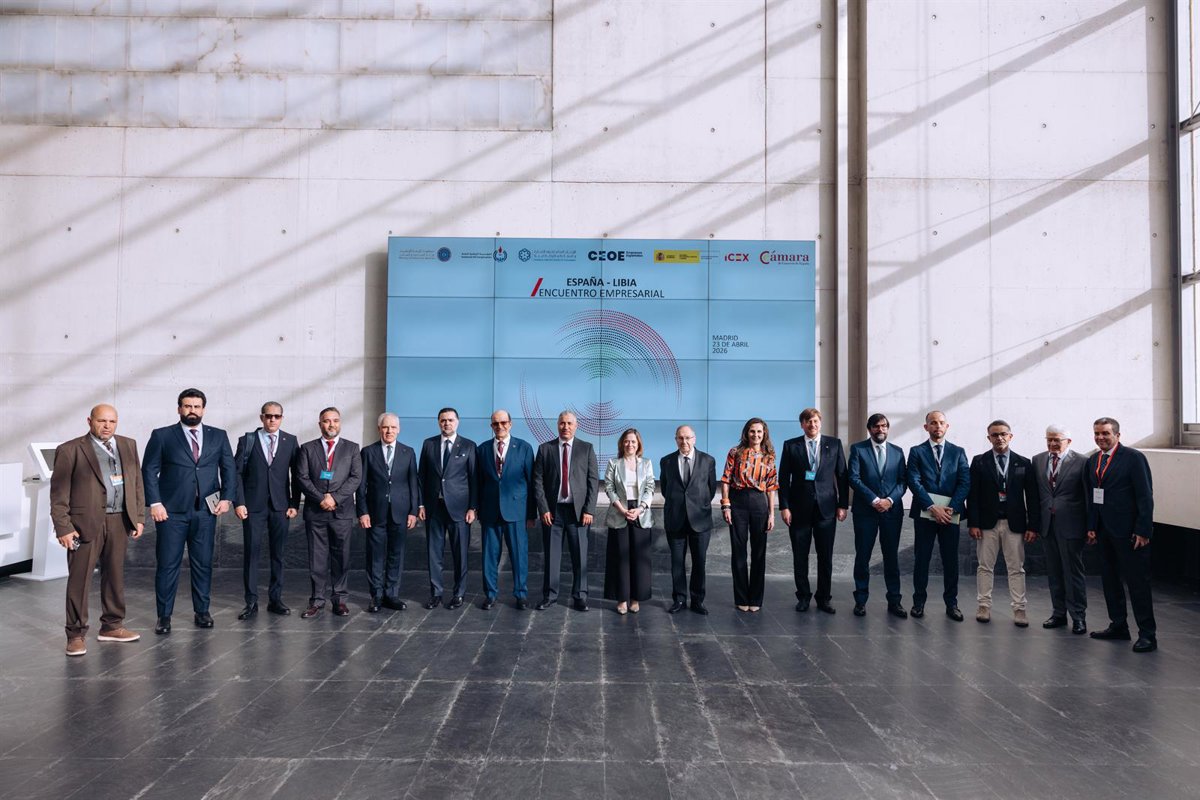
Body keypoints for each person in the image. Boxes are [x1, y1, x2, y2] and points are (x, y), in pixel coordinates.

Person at [50, 404, 145, 656]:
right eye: (102, 421)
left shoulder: (128, 445)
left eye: (112, 421)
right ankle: (75, 634)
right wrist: (63, 527)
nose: (107, 426)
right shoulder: (70, 450)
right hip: (84, 524)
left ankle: (112, 626)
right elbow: (58, 494)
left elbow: (137, 482)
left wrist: (138, 517)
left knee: (114, 575)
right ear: (89, 421)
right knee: (80, 580)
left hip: (119, 520)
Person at [142, 388, 236, 635]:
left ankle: (202, 611)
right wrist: (155, 503)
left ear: (203, 409)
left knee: (203, 563)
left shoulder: (218, 435)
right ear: (179, 409)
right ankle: (164, 616)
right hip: (170, 513)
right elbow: (149, 470)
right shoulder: (162, 435)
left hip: (205, 512)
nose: (192, 410)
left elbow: (229, 468)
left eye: (196, 406)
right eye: (187, 406)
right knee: (167, 565)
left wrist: (227, 498)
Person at [1085, 417, 1157, 652]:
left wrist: (1143, 530)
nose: (1100, 437)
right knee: (1110, 580)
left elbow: (1145, 496)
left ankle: (1147, 634)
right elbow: (1093, 496)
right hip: (1104, 531)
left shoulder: (1134, 458)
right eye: (1097, 433)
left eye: (1105, 433)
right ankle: (1118, 626)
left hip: (1130, 533)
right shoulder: (1093, 460)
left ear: (1117, 435)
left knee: (1138, 584)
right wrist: (1092, 526)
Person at [966, 420, 1040, 627]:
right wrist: (973, 523)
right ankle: (983, 606)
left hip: (1014, 524)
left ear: (1010, 436)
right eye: (995, 435)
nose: (999, 438)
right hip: (987, 524)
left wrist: (1033, 526)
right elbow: (973, 495)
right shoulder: (979, 462)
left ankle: (1019, 609)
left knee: (1016, 568)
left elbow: (1032, 497)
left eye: (1003, 434)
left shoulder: (1023, 463)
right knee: (984, 567)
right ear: (988, 438)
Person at [233, 401, 301, 619]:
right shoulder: (247, 440)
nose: (272, 419)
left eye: (277, 416)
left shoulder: (290, 441)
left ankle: (275, 599)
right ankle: (251, 602)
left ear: (282, 418)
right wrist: (239, 502)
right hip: (253, 507)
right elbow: (236, 474)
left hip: (280, 507)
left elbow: (297, 475)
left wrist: (294, 503)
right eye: (268, 416)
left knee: (278, 554)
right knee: (251, 554)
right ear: (261, 417)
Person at [778, 408, 848, 614]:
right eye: (808, 421)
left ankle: (824, 598)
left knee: (825, 556)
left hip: (827, 509)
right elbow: (783, 478)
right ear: (802, 425)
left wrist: (843, 504)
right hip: (798, 510)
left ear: (820, 422)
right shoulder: (791, 445)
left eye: (815, 421)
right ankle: (803, 596)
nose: (812, 424)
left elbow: (842, 476)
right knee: (800, 556)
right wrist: (784, 506)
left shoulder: (834, 444)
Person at [295, 407, 362, 619]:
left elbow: (356, 478)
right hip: (316, 511)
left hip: (342, 512)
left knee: (341, 556)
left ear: (340, 423)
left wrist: (335, 498)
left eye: (335, 420)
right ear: (320, 424)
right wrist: (321, 498)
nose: (331, 424)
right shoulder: (307, 448)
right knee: (317, 558)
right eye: (326, 421)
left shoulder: (352, 448)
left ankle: (339, 600)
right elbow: (302, 477)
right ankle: (316, 600)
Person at [907, 410, 970, 621]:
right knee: (921, 560)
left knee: (950, 561)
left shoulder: (958, 452)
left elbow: (964, 482)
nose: (938, 426)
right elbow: (914, 481)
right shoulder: (916, 451)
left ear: (947, 426)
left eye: (941, 422)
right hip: (925, 513)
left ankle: (952, 604)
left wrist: (951, 507)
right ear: (926, 427)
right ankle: (918, 603)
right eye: (933, 423)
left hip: (951, 515)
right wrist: (932, 507)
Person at [533, 410, 598, 611]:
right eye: (562, 423)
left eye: (570, 423)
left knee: (580, 555)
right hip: (553, 512)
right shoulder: (545, 449)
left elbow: (593, 481)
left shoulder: (586, 448)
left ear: (576, 426)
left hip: (578, 513)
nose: (566, 427)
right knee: (552, 556)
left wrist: (589, 510)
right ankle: (550, 595)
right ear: (557, 425)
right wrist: (543, 509)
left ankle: (580, 596)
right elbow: (537, 481)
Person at [356, 412, 419, 613]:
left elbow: (413, 484)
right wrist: (363, 512)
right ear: (379, 429)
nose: (389, 431)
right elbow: (361, 486)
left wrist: (413, 511)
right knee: (375, 555)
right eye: (385, 427)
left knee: (396, 554)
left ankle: (392, 594)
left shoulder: (408, 452)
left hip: (400, 513)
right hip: (375, 514)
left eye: (392, 427)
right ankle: (376, 595)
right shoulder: (368, 452)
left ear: (398, 429)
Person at [847, 413, 908, 617]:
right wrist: (874, 500)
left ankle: (894, 601)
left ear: (887, 428)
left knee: (891, 557)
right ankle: (860, 601)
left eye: (883, 426)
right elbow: (853, 478)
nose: (880, 429)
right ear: (869, 429)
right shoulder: (858, 449)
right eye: (876, 426)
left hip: (892, 512)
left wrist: (889, 500)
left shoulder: (897, 452)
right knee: (862, 556)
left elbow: (903, 481)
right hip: (866, 512)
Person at [417, 407, 477, 610]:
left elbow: (474, 479)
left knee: (460, 554)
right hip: (434, 508)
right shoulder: (429, 444)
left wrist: (473, 507)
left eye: (450, 420)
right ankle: (436, 593)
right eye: (443, 420)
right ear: (438, 422)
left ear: (457, 422)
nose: (447, 423)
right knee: (434, 554)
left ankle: (459, 594)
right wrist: (421, 504)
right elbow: (421, 477)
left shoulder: (469, 445)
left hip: (460, 509)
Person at [475, 409, 536, 610]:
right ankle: (490, 595)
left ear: (510, 424)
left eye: (503, 423)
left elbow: (531, 483)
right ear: (491, 426)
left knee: (519, 555)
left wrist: (531, 513)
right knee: (489, 556)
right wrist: (476, 508)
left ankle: (521, 594)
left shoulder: (524, 448)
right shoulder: (482, 449)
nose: (499, 426)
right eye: (495, 423)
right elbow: (478, 482)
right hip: (490, 511)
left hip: (517, 511)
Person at [1032, 424, 1089, 634]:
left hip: (1072, 525)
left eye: (1057, 440)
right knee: (1054, 571)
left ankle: (1078, 617)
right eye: (1049, 439)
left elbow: (1087, 495)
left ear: (1068, 441)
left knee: (1073, 572)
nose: (1052, 443)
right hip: (1047, 525)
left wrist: (1090, 527)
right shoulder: (1038, 460)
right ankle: (1058, 613)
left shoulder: (1082, 462)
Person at [720, 418, 778, 612]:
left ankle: (756, 599)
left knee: (759, 552)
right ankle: (741, 598)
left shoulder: (769, 456)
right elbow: (726, 479)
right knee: (739, 551)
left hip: (760, 503)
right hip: (738, 502)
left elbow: (771, 487)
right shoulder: (735, 452)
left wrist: (772, 514)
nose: (756, 435)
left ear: (764, 433)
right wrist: (726, 506)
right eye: (752, 431)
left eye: (759, 431)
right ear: (746, 433)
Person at [660, 425, 719, 614]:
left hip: (700, 520)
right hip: (675, 519)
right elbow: (665, 489)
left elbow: (710, 489)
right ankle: (679, 599)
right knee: (677, 562)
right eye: (680, 438)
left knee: (699, 562)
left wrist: (697, 505)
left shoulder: (708, 460)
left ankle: (697, 600)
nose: (684, 441)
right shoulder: (666, 461)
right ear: (675, 439)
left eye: (687, 438)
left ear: (694, 439)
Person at [603, 428, 656, 614]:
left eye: (633, 441)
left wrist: (640, 509)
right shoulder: (614, 463)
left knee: (639, 558)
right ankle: (622, 599)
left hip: (641, 512)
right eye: (626, 441)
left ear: (638, 444)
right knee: (620, 558)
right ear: (621, 443)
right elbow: (609, 487)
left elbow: (650, 487)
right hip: (620, 511)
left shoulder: (646, 463)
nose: (630, 444)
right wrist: (622, 509)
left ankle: (635, 598)